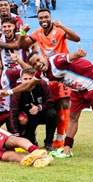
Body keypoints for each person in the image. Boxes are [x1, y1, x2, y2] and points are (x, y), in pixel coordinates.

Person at [17, 8, 80, 148]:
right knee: (57, 106)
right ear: (38, 20)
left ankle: (61, 138)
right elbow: (21, 44)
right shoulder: (37, 33)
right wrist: (22, 33)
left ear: (50, 17)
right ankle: (58, 137)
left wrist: (62, 26)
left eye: (46, 17)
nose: (43, 20)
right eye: (41, 18)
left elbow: (77, 38)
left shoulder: (58, 31)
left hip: (63, 71)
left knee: (65, 104)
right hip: (49, 73)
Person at [7, 68, 56, 150]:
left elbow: (50, 101)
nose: (28, 81)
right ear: (21, 80)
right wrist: (15, 134)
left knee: (52, 113)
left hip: (42, 113)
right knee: (21, 119)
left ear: (35, 79)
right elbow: (13, 111)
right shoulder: (18, 90)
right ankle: (30, 139)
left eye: (30, 79)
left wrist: (39, 107)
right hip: (28, 117)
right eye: (25, 79)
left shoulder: (42, 84)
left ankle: (48, 143)